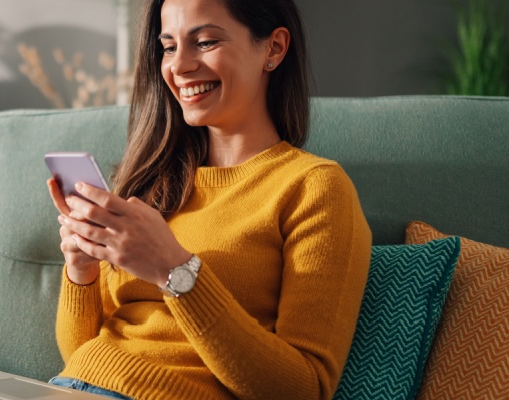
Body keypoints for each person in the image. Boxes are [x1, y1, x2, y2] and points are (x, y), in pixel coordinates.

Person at [42, 0, 372, 399]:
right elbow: (82, 356)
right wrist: (81, 272)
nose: (179, 66)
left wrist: (175, 271)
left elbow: (304, 389)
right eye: (168, 47)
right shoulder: (152, 185)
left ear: (274, 48)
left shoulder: (313, 188)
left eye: (205, 42)